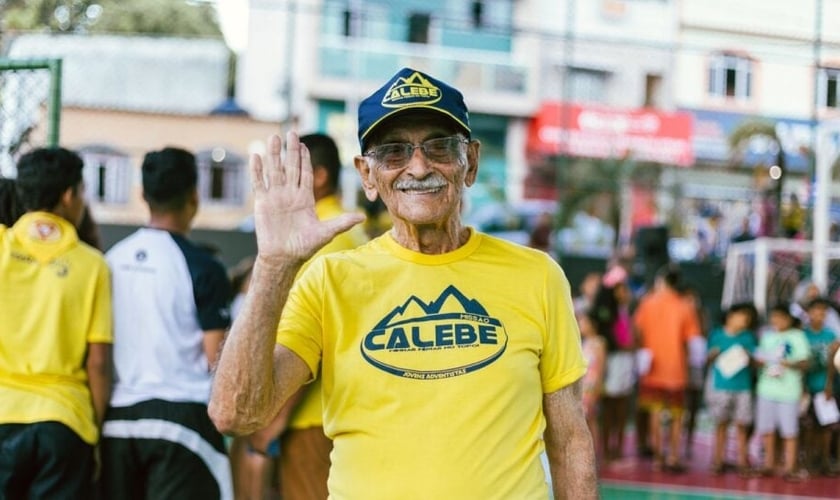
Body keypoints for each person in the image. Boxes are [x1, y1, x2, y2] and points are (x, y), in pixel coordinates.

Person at [209, 67, 598, 499]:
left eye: (439, 147)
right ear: (367, 176)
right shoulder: (330, 279)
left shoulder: (537, 275)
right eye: (394, 152)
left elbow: (569, 440)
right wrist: (273, 264)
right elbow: (236, 413)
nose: (418, 166)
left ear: (470, 161)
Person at [232, 133, 368, 500]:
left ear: (318, 176)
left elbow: (313, 340)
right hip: (317, 416)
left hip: (308, 421)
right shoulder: (346, 235)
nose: (274, 184)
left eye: (286, 171)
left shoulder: (322, 240)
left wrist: (269, 425)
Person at [99, 147, 233, 499]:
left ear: (143, 194)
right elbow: (215, 359)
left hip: (117, 425)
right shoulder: (203, 267)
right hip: (182, 427)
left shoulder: (109, 262)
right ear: (194, 195)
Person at [0, 148, 113, 499]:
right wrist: (92, 430)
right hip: (65, 422)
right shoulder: (93, 264)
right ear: (68, 195)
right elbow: (98, 362)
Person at [633, 265, 701, 473]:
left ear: (662, 280)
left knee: (655, 412)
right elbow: (693, 341)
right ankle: (673, 455)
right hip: (677, 370)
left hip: (652, 368)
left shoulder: (647, 303)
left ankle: (657, 457)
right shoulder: (685, 306)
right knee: (676, 415)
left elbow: (637, 330)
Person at [753, 303, 810, 482]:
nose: (776, 320)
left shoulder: (798, 336)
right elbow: (760, 358)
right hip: (766, 388)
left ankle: (790, 467)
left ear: (789, 319)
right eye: (774, 316)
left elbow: (805, 362)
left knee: (789, 431)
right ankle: (769, 463)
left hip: (789, 391)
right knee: (767, 429)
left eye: (780, 317)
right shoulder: (767, 336)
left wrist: (789, 364)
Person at [705, 303, 758, 477]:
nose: (745, 320)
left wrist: (747, 355)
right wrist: (712, 355)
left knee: (742, 425)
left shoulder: (748, 337)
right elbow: (708, 358)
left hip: (742, 387)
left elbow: (754, 360)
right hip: (721, 386)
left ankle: (742, 462)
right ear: (731, 316)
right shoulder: (717, 335)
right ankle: (718, 460)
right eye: (742, 316)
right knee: (721, 424)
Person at [591, 264, 635, 462]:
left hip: (624, 362)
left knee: (621, 405)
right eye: (620, 288)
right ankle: (607, 450)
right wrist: (624, 348)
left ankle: (617, 448)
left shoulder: (624, 310)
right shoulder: (606, 312)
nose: (624, 292)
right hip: (614, 362)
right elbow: (609, 338)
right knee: (610, 406)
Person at [801, 298, 840, 476]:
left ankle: (827, 461)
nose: (820, 315)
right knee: (809, 427)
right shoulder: (802, 335)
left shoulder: (831, 335)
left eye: (823, 312)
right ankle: (810, 461)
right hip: (807, 388)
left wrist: (829, 385)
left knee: (829, 426)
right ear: (808, 313)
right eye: (816, 311)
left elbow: (833, 364)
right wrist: (802, 387)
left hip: (825, 388)